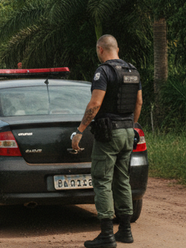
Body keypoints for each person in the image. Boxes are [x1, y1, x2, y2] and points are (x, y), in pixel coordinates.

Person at [71, 35, 143, 248]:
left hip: (109, 133)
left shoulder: (103, 71)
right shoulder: (133, 71)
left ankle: (106, 235)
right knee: (122, 180)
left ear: (100, 49)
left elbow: (95, 103)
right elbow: (138, 102)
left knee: (102, 180)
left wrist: (80, 130)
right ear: (117, 49)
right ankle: (125, 231)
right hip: (128, 131)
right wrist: (130, 124)